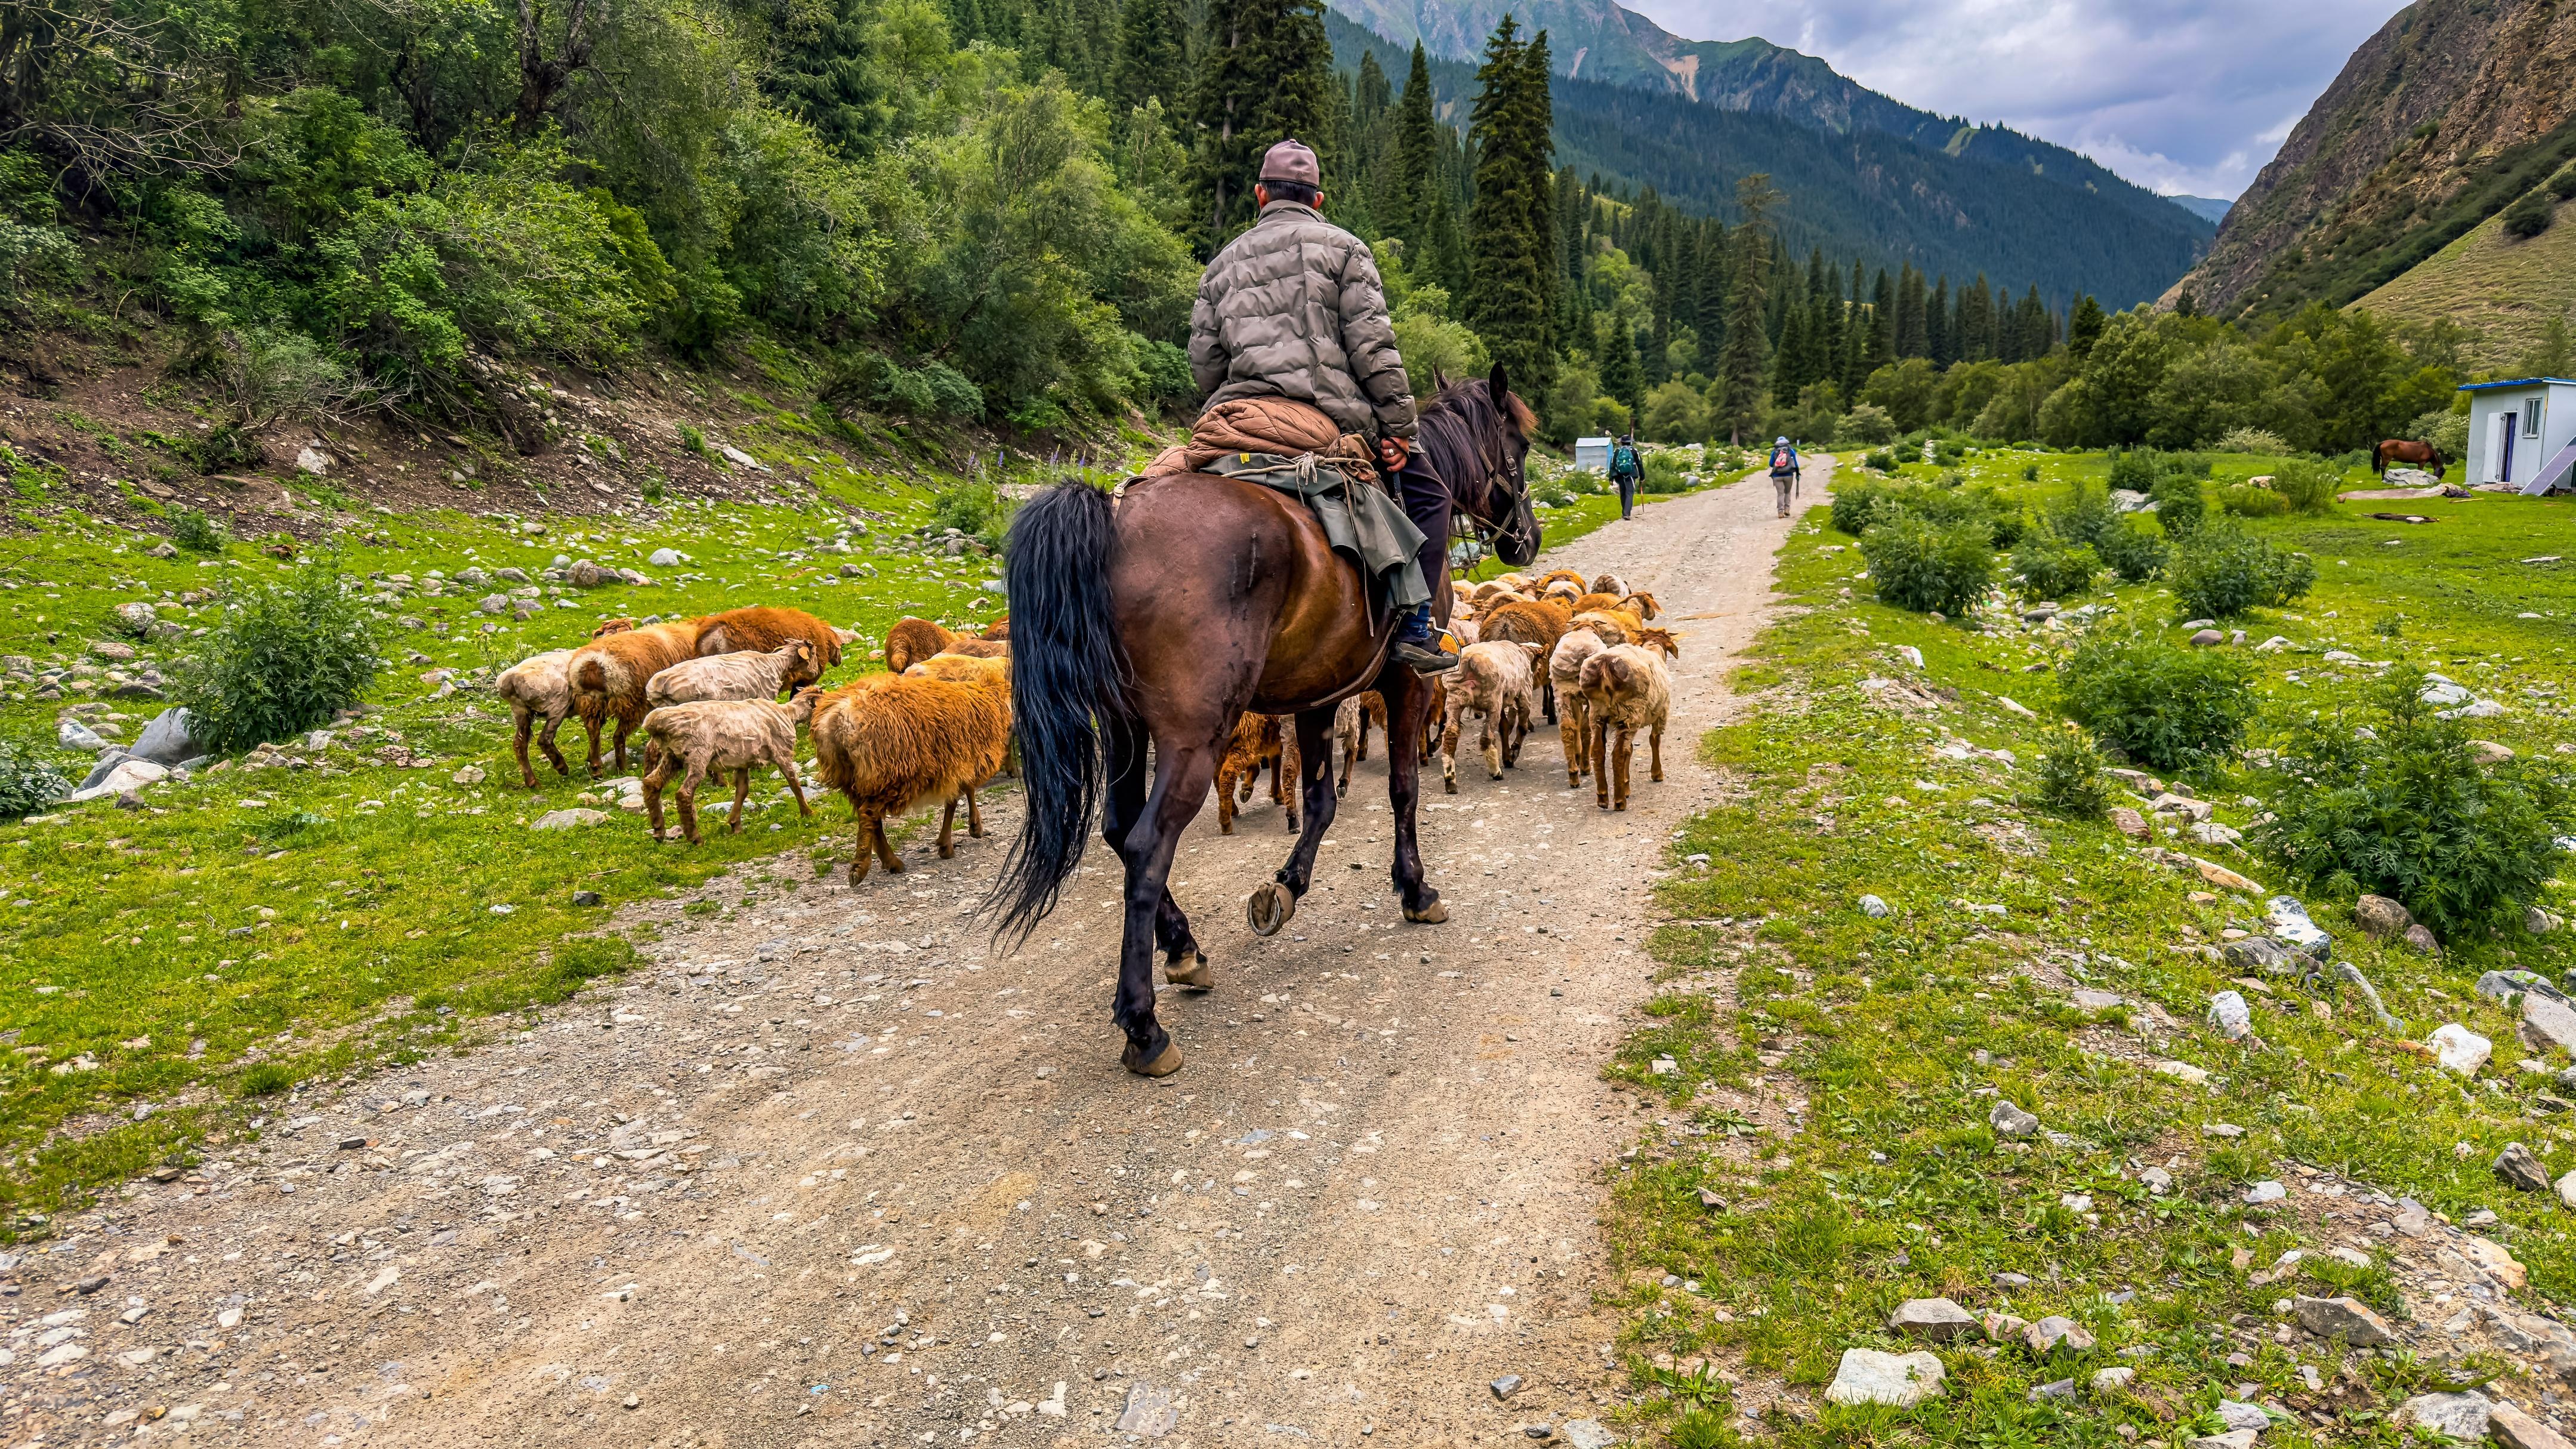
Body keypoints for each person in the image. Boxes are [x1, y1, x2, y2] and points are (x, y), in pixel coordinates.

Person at [1188, 138, 1455, 673]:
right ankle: (1416, 628)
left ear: (1260, 195)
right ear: (1318, 199)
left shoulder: (1220, 265)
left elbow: (1205, 366)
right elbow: (1373, 351)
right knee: (1430, 495)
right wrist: (1401, 432)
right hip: (1326, 422)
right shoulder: (1345, 249)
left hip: (1238, 420)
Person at [1607, 432, 1643, 520]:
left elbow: (1612, 464)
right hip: (1631, 474)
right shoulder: (1634, 451)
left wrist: (1611, 477)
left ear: (1622, 442)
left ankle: (1624, 513)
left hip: (1619, 475)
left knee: (1623, 493)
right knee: (1629, 493)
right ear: (1630, 442)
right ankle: (1627, 513)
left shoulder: (1617, 451)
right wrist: (1642, 477)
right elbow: (1640, 464)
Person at [1767, 435, 1800, 519]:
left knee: (1780, 494)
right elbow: (1795, 464)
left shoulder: (1774, 452)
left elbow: (1771, 464)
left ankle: (1780, 513)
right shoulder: (1791, 451)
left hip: (1777, 476)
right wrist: (1797, 474)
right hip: (1789, 475)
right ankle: (1787, 510)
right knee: (1787, 492)